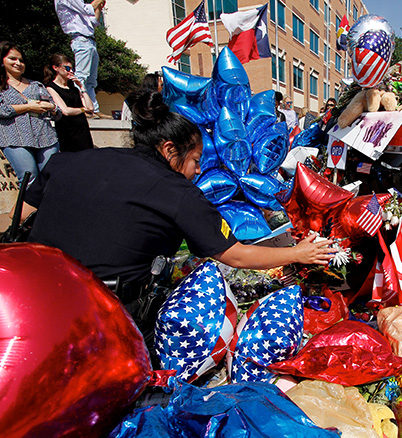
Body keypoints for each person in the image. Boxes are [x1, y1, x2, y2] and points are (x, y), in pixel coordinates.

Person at [20, 90, 335, 305]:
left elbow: (20, 216)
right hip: (104, 308)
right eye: (196, 160)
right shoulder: (176, 191)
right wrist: (297, 254)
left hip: (30, 288)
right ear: (169, 149)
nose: (198, 171)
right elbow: (235, 255)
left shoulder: (70, 160)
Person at [0, 41, 60, 187]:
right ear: (1, 60)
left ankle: (48, 210)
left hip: (45, 139)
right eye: (13, 59)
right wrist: (28, 106)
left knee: (51, 179)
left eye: (21, 60)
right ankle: (30, 211)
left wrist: (52, 107)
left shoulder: (36, 85)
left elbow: (57, 113)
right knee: (29, 178)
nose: (18, 63)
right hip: (13, 138)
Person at [54, 0, 108, 118]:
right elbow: (86, 9)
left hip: (89, 40)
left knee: (91, 80)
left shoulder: (76, 10)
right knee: (81, 76)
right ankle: (83, 106)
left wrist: (99, 6)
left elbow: (93, 21)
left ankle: (93, 108)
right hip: (81, 39)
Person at [44, 53, 94, 152]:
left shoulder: (73, 88)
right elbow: (65, 111)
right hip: (68, 132)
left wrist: (81, 87)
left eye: (72, 69)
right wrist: (83, 109)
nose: (70, 71)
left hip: (83, 132)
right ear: (56, 68)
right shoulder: (51, 87)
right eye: (67, 68)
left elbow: (90, 107)